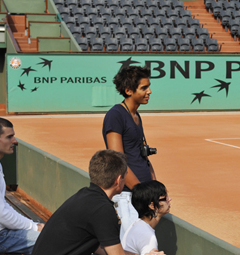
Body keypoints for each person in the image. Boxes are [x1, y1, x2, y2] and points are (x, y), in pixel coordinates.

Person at [31, 150, 164, 255]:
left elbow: (103, 249)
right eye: (125, 175)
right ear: (118, 180)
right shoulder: (102, 209)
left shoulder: (86, 195)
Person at [0, 117, 44, 254]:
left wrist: (33, 225)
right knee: (55, 240)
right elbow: (0, 215)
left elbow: (2, 207)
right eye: (9, 137)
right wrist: (33, 227)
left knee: (54, 235)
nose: (15, 141)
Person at [102, 66, 156, 240]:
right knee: (130, 245)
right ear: (128, 90)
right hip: (127, 195)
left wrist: (154, 186)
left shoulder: (135, 115)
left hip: (140, 193)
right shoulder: (115, 115)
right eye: (144, 88)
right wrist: (140, 190)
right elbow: (118, 160)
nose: (149, 91)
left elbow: (141, 154)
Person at [122, 181, 171, 255]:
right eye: (164, 198)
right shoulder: (148, 237)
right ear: (152, 206)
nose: (169, 199)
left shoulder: (138, 225)